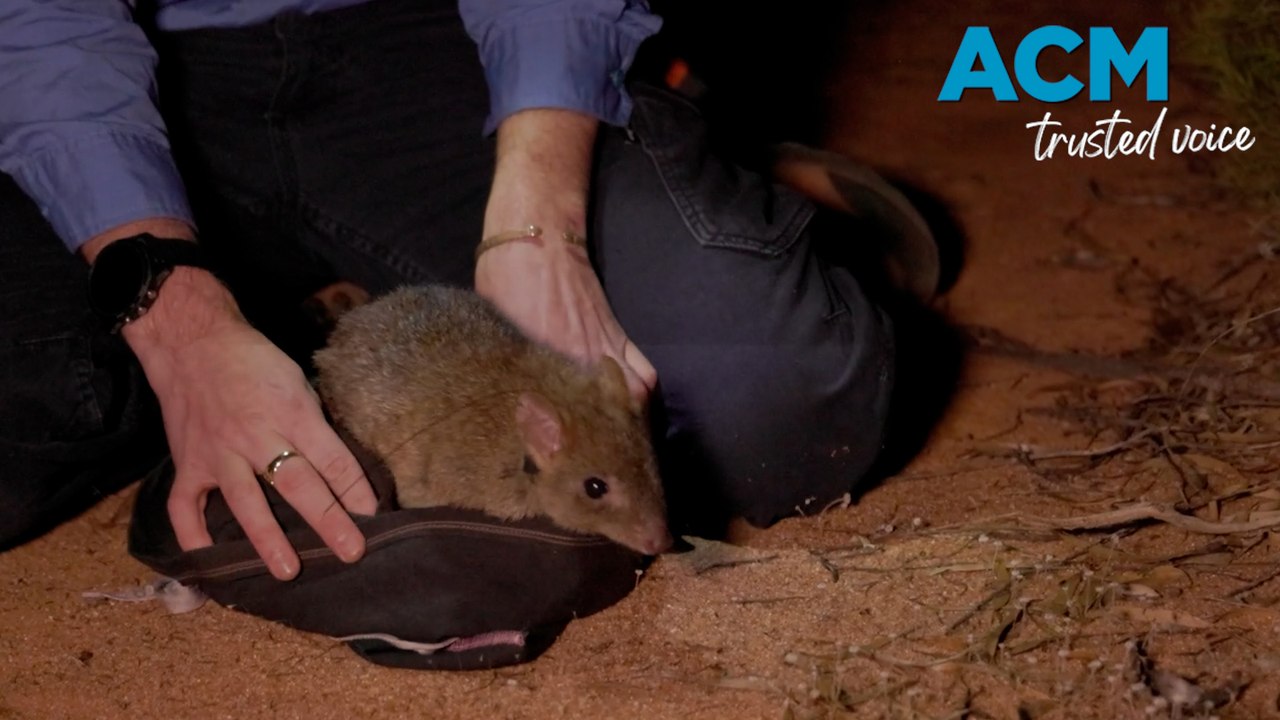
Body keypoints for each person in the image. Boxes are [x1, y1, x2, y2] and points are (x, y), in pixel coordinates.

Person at [0, 0, 901, 579]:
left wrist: (541, 222)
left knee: (766, 400)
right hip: (119, 88)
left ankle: (733, 177)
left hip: (440, 46)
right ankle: (284, 322)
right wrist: (176, 319)